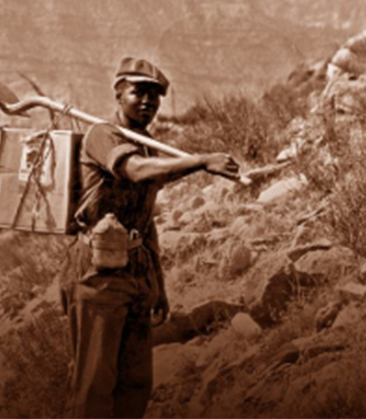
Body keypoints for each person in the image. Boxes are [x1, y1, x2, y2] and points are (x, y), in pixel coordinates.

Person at [61, 57, 239, 418]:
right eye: (138, 92)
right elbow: (137, 172)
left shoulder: (147, 145)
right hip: (98, 274)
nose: (148, 102)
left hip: (137, 273)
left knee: (135, 385)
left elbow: (146, 220)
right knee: (94, 385)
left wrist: (158, 284)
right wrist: (200, 160)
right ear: (118, 94)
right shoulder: (103, 135)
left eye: (155, 96)